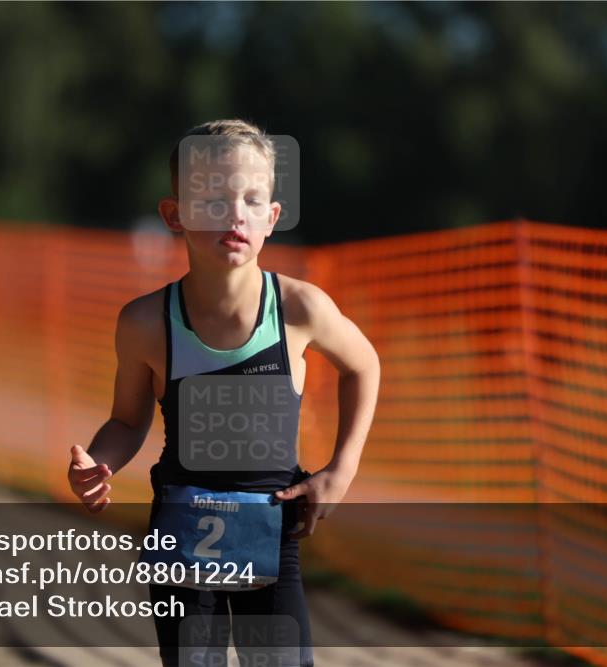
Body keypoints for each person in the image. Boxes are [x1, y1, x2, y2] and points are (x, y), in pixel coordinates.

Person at [67, 119, 380, 666]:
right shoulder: (145, 322)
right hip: (181, 540)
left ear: (271, 219)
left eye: (252, 200)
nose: (235, 213)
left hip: (272, 538)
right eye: (212, 198)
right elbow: (126, 422)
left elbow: (364, 366)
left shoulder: (300, 309)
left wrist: (342, 468)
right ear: (175, 214)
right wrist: (98, 463)